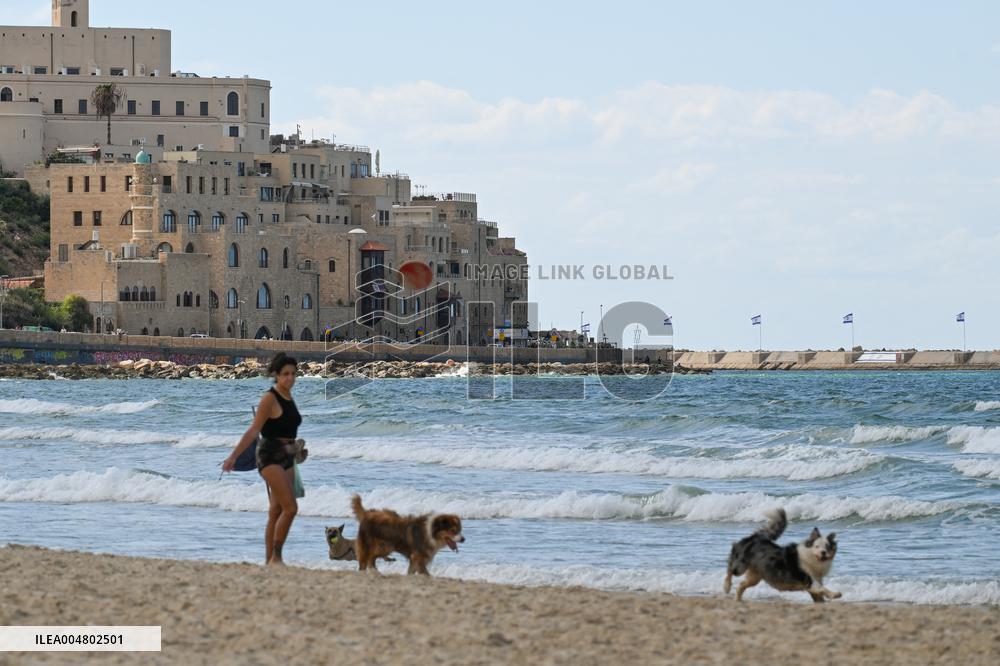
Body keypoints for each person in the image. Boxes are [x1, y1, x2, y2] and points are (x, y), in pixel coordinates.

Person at [222, 352, 302, 565]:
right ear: (276, 374)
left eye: (294, 374)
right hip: (269, 455)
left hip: (287, 455)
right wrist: (233, 457)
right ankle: (277, 557)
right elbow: (253, 431)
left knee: (276, 510)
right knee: (291, 508)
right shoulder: (269, 398)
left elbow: (286, 430)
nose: (290, 378)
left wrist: (297, 450)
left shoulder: (289, 397)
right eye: (286, 374)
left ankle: (269, 560)